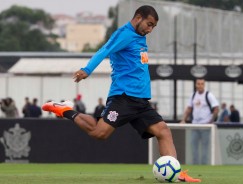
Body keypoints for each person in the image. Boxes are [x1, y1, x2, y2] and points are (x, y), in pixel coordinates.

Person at [41, 5, 200, 183]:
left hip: (141, 101)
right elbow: (105, 50)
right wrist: (87, 69)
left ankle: (176, 174)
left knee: (163, 131)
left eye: (153, 27)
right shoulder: (124, 34)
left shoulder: (140, 37)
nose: (150, 29)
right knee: (99, 133)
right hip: (123, 97)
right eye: (149, 24)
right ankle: (66, 110)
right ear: (138, 17)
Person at [180, 78, 219, 165]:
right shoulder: (193, 95)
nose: (200, 85)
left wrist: (210, 121)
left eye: (202, 84)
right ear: (196, 85)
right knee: (193, 146)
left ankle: (204, 164)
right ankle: (195, 164)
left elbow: (216, 109)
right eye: (198, 83)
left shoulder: (209, 95)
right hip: (194, 125)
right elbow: (189, 108)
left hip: (205, 126)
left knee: (205, 147)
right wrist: (183, 120)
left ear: (204, 85)